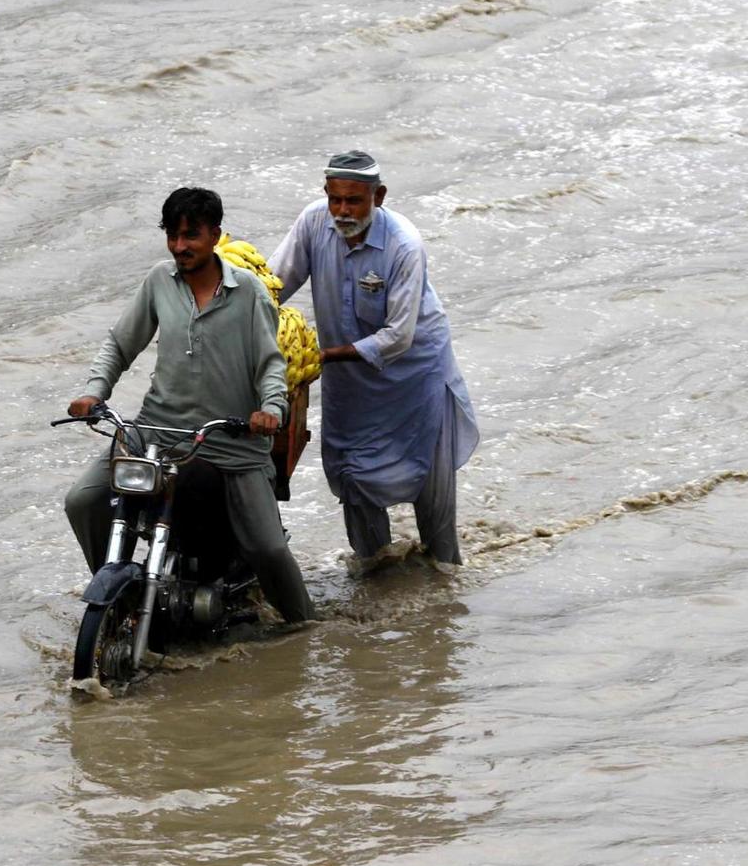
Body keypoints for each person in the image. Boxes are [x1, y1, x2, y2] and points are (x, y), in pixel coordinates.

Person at [62, 187, 315, 622]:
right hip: (155, 431)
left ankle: (307, 627)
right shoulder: (160, 281)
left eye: (191, 236)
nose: (180, 247)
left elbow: (270, 365)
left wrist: (271, 410)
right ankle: (118, 595)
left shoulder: (247, 292)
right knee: (82, 501)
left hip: (230, 441)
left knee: (268, 548)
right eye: (173, 236)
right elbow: (120, 345)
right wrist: (94, 392)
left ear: (215, 235)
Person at [269, 150, 480, 569]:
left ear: (378, 197)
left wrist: (320, 356)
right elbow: (273, 286)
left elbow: (399, 336)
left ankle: (444, 574)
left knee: (430, 481)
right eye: (335, 200)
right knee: (352, 472)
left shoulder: (404, 244)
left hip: (414, 373)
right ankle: (372, 570)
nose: (342, 211)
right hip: (349, 379)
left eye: (354, 201)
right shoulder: (313, 223)